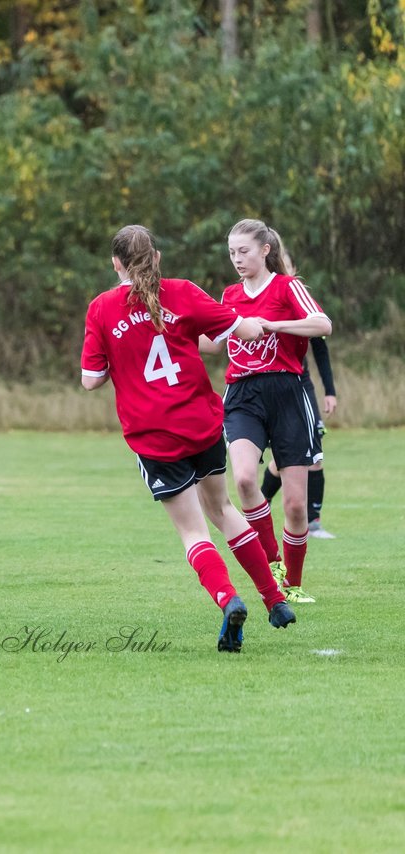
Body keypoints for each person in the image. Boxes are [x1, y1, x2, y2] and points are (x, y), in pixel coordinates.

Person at [81, 225, 295, 653]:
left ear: (116, 264)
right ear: (156, 258)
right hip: (202, 424)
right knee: (223, 508)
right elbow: (235, 331)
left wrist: (115, 364)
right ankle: (275, 599)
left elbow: (90, 380)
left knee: (194, 534)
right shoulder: (181, 292)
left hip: (154, 436)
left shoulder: (102, 308)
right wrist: (257, 323)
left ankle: (228, 600)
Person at [204, 219, 331, 605]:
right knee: (243, 479)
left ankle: (293, 582)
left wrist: (272, 325)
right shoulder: (228, 296)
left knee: (295, 506)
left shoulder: (288, 287)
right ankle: (272, 561)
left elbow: (322, 324)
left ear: (264, 249)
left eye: (243, 251)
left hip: (289, 395)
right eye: (231, 253)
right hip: (242, 394)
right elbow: (212, 342)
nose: (236, 259)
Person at [261, 336, 337, 537]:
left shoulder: (304, 308)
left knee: (314, 456)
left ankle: (313, 522)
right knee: (282, 459)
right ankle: (260, 504)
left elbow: (320, 348)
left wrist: (330, 391)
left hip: (301, 383)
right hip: (271, 383)